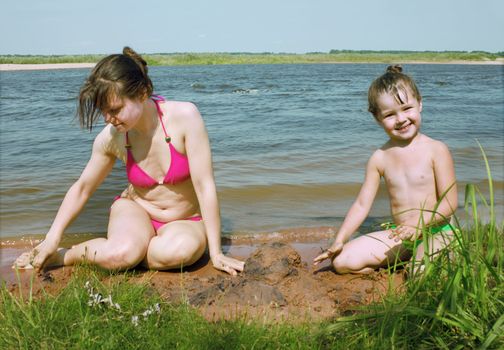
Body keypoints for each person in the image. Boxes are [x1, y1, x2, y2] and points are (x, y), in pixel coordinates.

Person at [14, 47, 244, 275]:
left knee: (180, 252)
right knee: (120, 253)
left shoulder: (186, 117)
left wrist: (216, 253)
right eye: (102, 111)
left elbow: (205, 187)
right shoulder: (111, 137)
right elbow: (82, 188)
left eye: (115, 109)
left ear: (142, 93)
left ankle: (130, 254)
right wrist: (51, 238)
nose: (107, 118)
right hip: (136, 211)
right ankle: (64, 255)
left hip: (186, 220)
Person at [313, 65, 458, 274]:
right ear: (377, 118)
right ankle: (399, 264)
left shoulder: (436, 150)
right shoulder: (379, 158)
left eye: (407, 108)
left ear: (420, 104)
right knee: (342, 262)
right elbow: (362, 205)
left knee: (419, 273)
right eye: (390, 114)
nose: (401, 119)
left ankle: (421, 262)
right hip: (401, 235)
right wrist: (340, 239)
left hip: (437, 231)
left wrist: (418, 225)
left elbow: (449, 203)